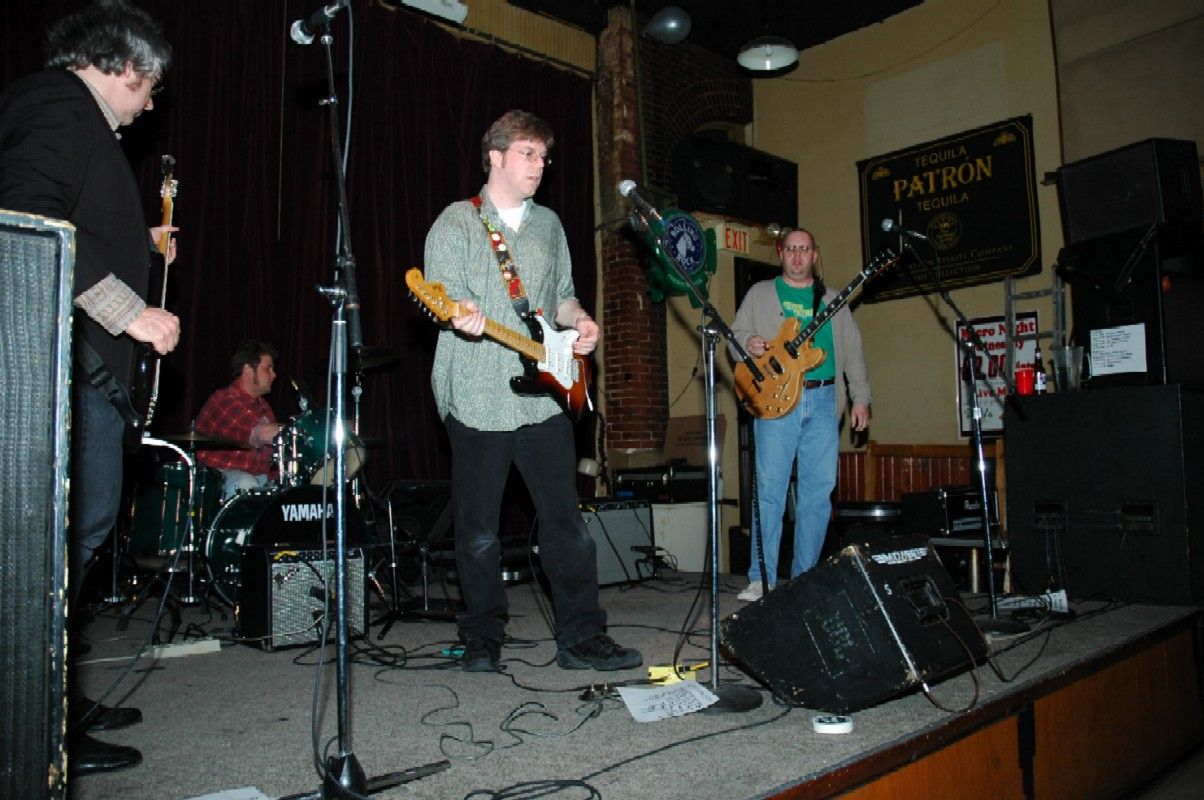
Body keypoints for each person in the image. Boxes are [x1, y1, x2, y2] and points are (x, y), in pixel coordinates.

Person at [0, 0, 179, 776]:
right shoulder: (57, 102)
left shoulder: (74, 119)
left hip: (82, 362)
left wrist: (140, 243)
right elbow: (23, 220)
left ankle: (56, 697)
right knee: (60, 538)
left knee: (81, 529)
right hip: (67, 365)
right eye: (151, 87)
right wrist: (130, 311)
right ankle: (30, 712)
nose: (151, 105)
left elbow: (76, 222)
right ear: (127, 65)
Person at [424, 109, 642, 673]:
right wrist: (460, 312)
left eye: (544, 156)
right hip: (477, 395)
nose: (539, 165)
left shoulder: (548, 225)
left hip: (543, 395)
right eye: (527, 153)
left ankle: (582, 636)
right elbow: (443, 292)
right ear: (495, 157)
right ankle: (481, 636)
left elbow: (561, 295)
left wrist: (580, 320)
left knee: (566, 523)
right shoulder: (456, 222)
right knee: (479, 531)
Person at [730, 228, 871, 601]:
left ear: (814, 255)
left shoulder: (833, 300)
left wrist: (860, 398)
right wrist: (747, 343)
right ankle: (761, 579)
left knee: (817, 493)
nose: (796, 255)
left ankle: (804, 577)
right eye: (790, 249)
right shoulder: (760, 293)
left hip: (824, 400)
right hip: (775, 400)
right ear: (781, 253)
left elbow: (853, 350)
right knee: (770, 491)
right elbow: (736, 333)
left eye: (804, 249)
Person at [195, 339, 284, 499]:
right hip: (214, 478)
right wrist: (304, 431)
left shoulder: (264, 407)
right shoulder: (225, 400)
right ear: (248, 370)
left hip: (257, 477)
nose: (274, 374)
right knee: (246, 483)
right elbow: (261, 433)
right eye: (268, 368)